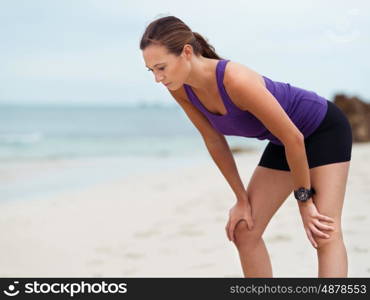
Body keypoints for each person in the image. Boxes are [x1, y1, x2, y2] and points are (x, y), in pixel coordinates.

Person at [139, 16, 352, 278]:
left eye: (161, 68)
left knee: (324, 231)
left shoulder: (235, 80)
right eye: (152, 71)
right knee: (244, 231)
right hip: (283, 142)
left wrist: (304, 202)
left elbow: (294, 138)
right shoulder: (180, 88)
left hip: (322, 130)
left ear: (186, 52)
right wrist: (240, 198)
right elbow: (214, 139)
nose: (158, 79)